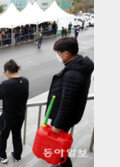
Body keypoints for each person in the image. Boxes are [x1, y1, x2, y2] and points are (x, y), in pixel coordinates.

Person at [48, 37, 94, 167]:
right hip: (71, 116)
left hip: (64, 119)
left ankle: (62, 164)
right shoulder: (80, 65)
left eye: (58, 53)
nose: (58, 56)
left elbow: (66, 103)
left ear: (66, 54)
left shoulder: (72, 74)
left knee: (60, 145)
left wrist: (57, 124)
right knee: (60, 144)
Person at [0, 59, 29, 164]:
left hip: (8, 117)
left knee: (2, 136)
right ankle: (17, 155)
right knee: (17, 135)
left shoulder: (6, 84)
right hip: (20, 114)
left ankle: (2, 156)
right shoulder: (26, 80)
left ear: (8, 71)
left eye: (5, 73)